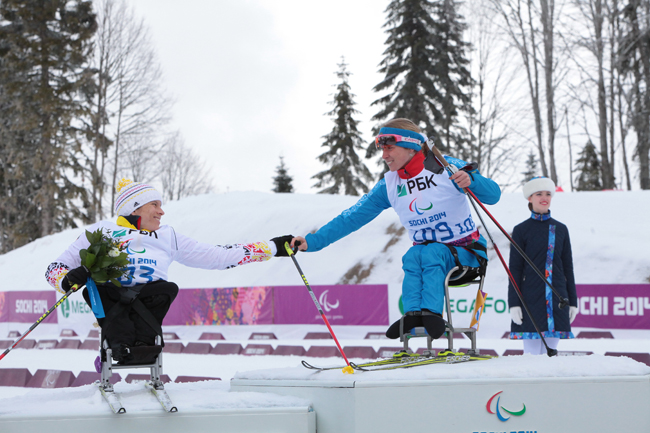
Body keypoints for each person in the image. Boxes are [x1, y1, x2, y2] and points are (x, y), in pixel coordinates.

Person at [291, 118, 501, 340]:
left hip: (468, 255)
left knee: (430, 252)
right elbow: (351, 218)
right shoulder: (390, 184)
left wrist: (471, 180)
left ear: (411, 147)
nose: (384, 156)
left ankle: (431, 315)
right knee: (413, 254)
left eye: (390, 148)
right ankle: (412, 316)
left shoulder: (445, 166)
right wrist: (312, 241)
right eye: (382, 149)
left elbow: (493, 195)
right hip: (426, 256)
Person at [45, 178, 294, 364]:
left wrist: (273, 247)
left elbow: (218, 256)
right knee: (101, 290)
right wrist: (66, 280)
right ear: (134, 208)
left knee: (166, 288)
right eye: (154, 204)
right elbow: (54, 269)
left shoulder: (167, 236)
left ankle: (142, 347)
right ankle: (116, 347)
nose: (161, 211)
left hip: (149, 303)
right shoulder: (103, 231)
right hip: (110, 303)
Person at [508, 176, 578, 355]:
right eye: (538, 193)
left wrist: (573, 302)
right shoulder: (521, 230)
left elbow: (568, 268)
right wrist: (514, 303)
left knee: (551, 353)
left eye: (548, 193)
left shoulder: (561, 229)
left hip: (557, 299)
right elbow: (515, 269)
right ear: (530, 198)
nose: (544, 197)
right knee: (531, 355)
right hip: (530, 298)